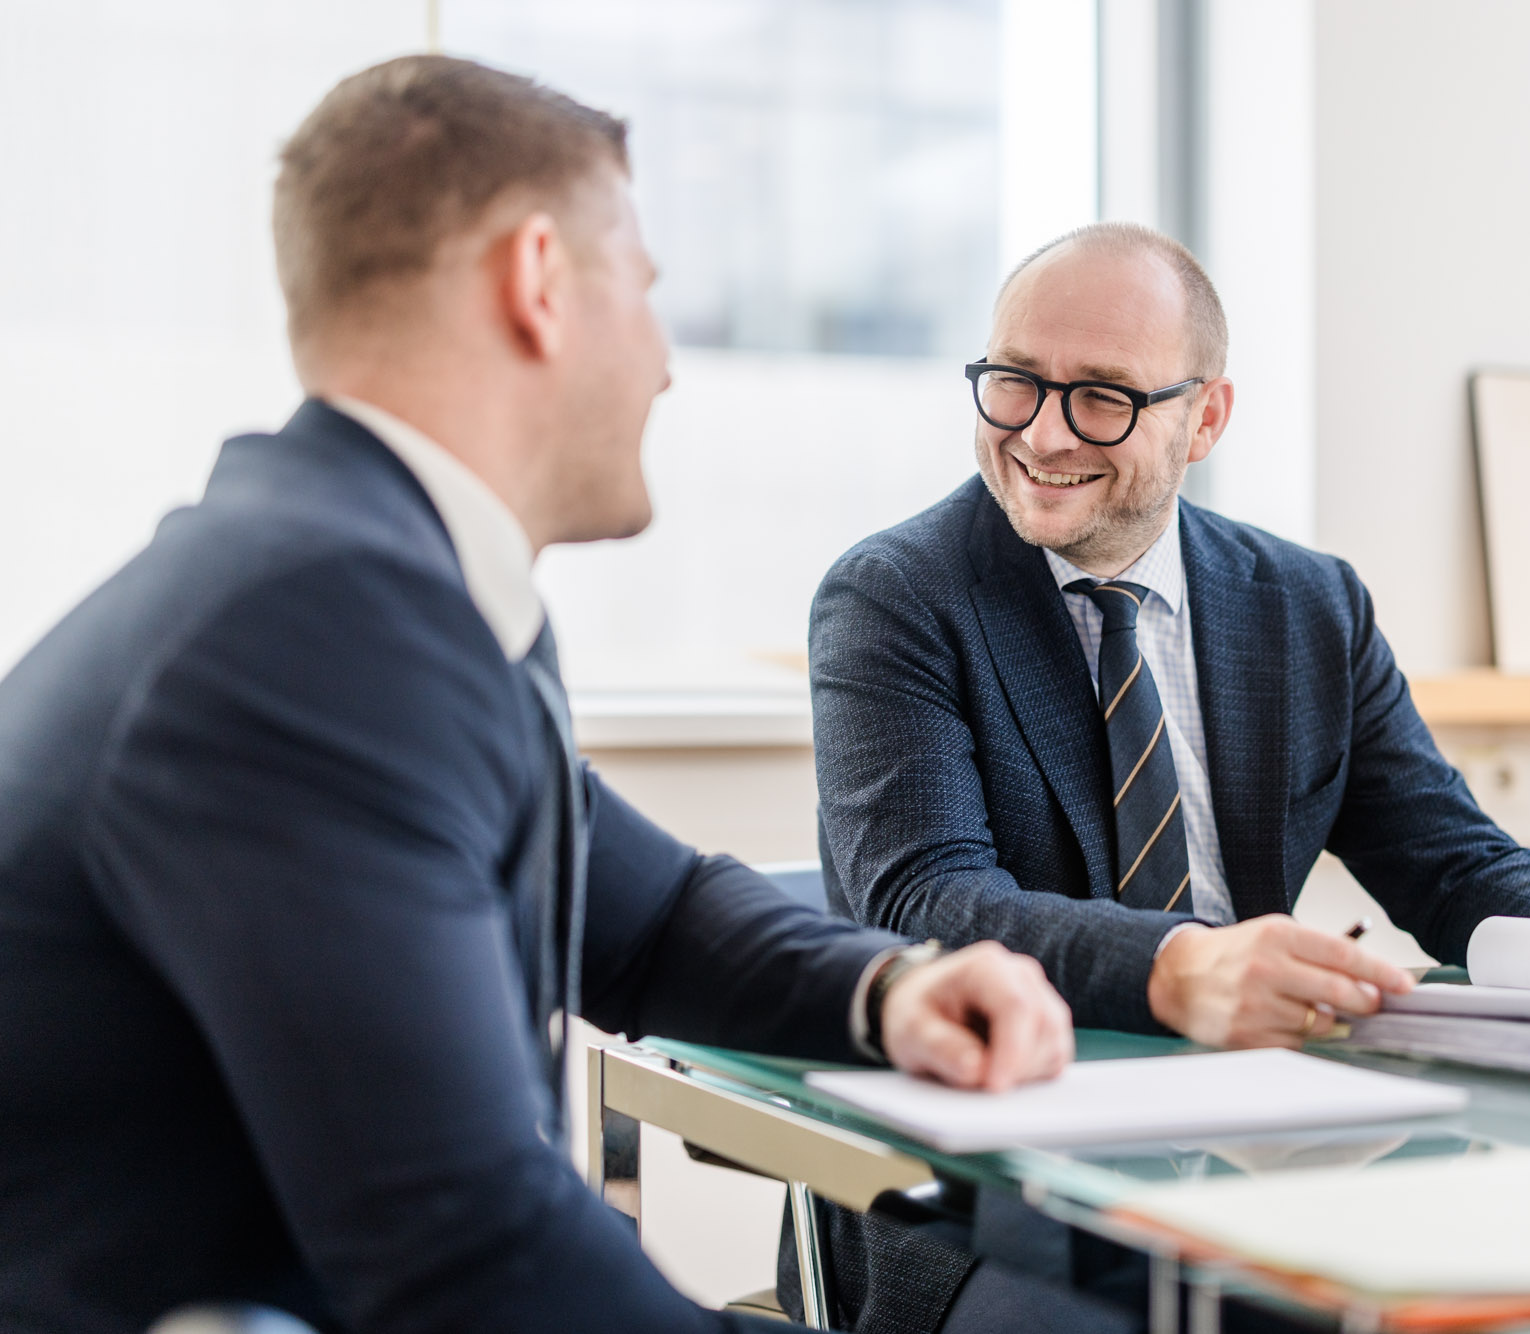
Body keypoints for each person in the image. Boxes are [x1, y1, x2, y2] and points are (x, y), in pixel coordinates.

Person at [0, 56, 1075, 1334]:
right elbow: (469, 1246)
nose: (668, 363)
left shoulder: (369, 574)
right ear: (541, 283)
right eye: (648, 291)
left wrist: (890, 988)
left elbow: (648, 915)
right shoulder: (317, 626)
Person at [801, 221, 1530, 1330]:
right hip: (992, 1197)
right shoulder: (894, 596)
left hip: (1268, 1156)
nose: (1042, 431)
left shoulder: (1307, 604)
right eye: (1014, 381)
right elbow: (923, 903)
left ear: (1205, 416)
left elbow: (1446, 863)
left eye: (1102, 394)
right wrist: (1179, 965)